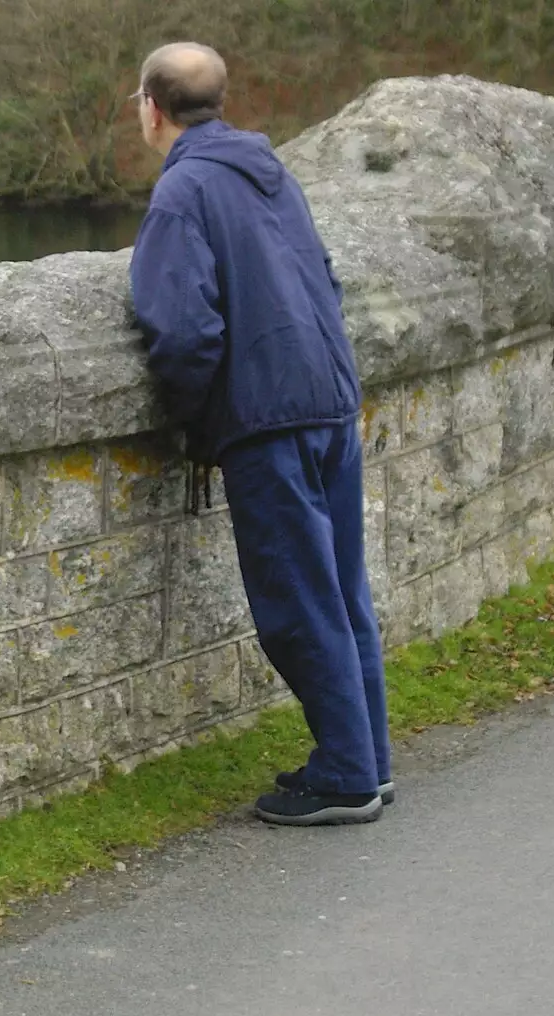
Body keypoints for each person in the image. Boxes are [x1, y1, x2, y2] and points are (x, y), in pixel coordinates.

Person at [128, 43, 393, 826]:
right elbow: (324, 276)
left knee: (298, 601)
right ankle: (369, 759)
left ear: (152, 108)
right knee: (344, 590)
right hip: (330, 402)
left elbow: (181, 331)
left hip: (267, 418)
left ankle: (345, 772)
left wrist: (196, 423)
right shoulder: (270, 172)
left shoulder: (182, 194)